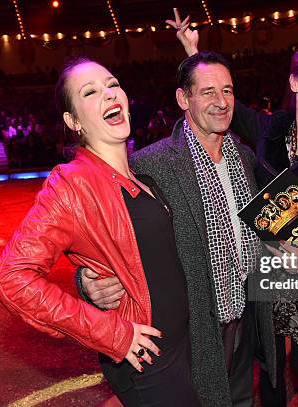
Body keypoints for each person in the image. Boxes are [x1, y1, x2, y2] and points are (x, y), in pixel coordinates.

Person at [170, 14, 298, 406]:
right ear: (294, 81)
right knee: (268, 373)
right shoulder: (270, 129)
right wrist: (193, 51)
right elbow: (217, 102)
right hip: (259, 271)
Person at [0, 57, 200, 407]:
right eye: (90, 92)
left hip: (182, 345)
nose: (109, 94)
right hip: (147, 361)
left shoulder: (142, 175)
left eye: (113, 84)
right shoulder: (71, 184)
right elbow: (10, 278)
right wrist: (111, 334)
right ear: (73, 122)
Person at [78, 50, 277, 406]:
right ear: (183, 98)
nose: (221, 102)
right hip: (194, 334)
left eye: (228, 91)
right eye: (208, 92)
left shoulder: (245, 158)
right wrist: (85, 280)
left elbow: (269, 226)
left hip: (246, 319)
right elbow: (103, 237)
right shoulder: (149, 166)